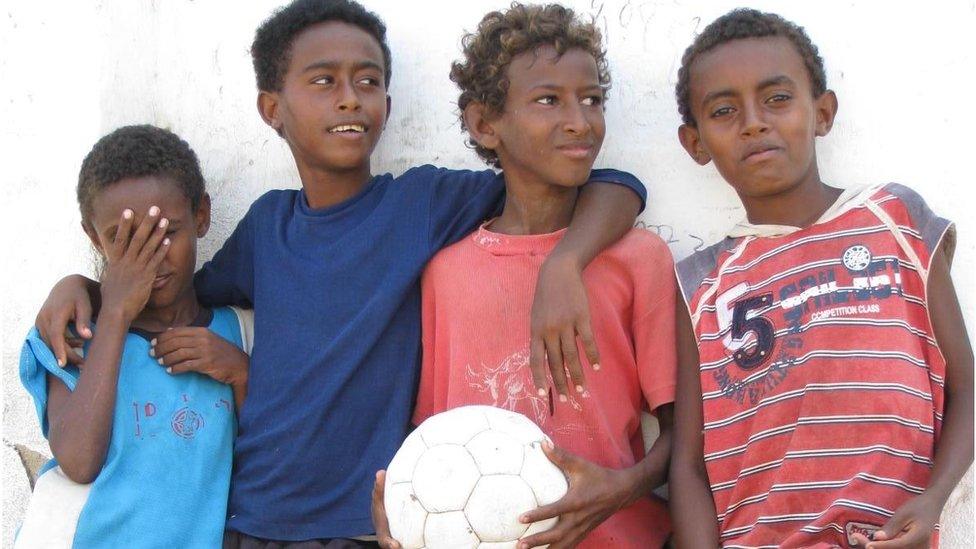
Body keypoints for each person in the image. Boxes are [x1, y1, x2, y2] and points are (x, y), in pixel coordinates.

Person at [32, 1, 649, 545]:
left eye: (368, 81)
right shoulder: (267, 227)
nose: (350, 97)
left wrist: (566, 261)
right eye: (324, 81)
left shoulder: (420, 205)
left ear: (387, 101)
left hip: (364, 518)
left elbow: (611, 186)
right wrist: (85, 285)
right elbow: (171, 289)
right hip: (251, 517)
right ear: (273, 108)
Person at [370, 5, 675, 549]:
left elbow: (687, 435)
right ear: (486, 124)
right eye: (547, 100)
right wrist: (408, 510)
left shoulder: (639, 259)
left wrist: (622, 488)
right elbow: (435, 438)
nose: (580, 120)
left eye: (592, 99)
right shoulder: (446, 273)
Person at [667, 9, 974, 548]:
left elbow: (966, 385)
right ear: (695, 143)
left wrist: (936, 497)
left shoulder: (895, 219)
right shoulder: (703, 282)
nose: (754, 122)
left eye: (777, 98)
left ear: (823, 112)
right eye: (723, 110)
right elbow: (690, 464)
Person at [18, 125, 250, 547]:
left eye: (165, 232)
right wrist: (116, 313)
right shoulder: (74, 335)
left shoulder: (239, 334)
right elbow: (79, 460)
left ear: (201, 215)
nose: (148, 259)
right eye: (123, 240)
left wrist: (240, 372)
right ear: (93, 237)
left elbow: (266, 457)